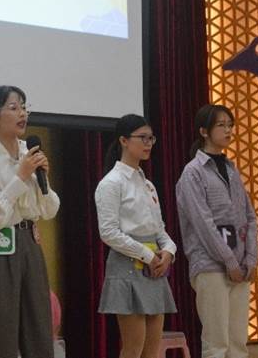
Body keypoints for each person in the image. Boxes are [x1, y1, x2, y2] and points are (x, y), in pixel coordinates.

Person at [0, 85, 60, 358]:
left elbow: (49, 210)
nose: (22, 113)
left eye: (24, 107)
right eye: (13, 108)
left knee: (39, 329)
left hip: (30, 241)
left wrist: (43, 179)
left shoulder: (28, 152)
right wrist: (20, 176)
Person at [176, 104, 258, 358]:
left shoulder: (232, 169)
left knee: (238, 343)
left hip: (240, 266)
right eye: (221, 125)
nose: (228, 130)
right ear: (204, 131)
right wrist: (229, 260)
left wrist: (251, 258)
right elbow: (203, 224)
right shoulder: (193, 172)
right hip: (211, 266)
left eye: (230, 125)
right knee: (216, 343)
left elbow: (249, 217)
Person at [95, 114, 177, 358]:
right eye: (142, 138)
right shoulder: (111, 183)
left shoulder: (148, 184)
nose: (148, 143)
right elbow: (108, 232)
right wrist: (147, 255)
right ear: (123, 140)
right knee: (133, 348)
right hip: (127, 266)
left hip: (154, 268)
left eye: (151, 138)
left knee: (152, 350)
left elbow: (159, 229)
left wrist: (169, 251)